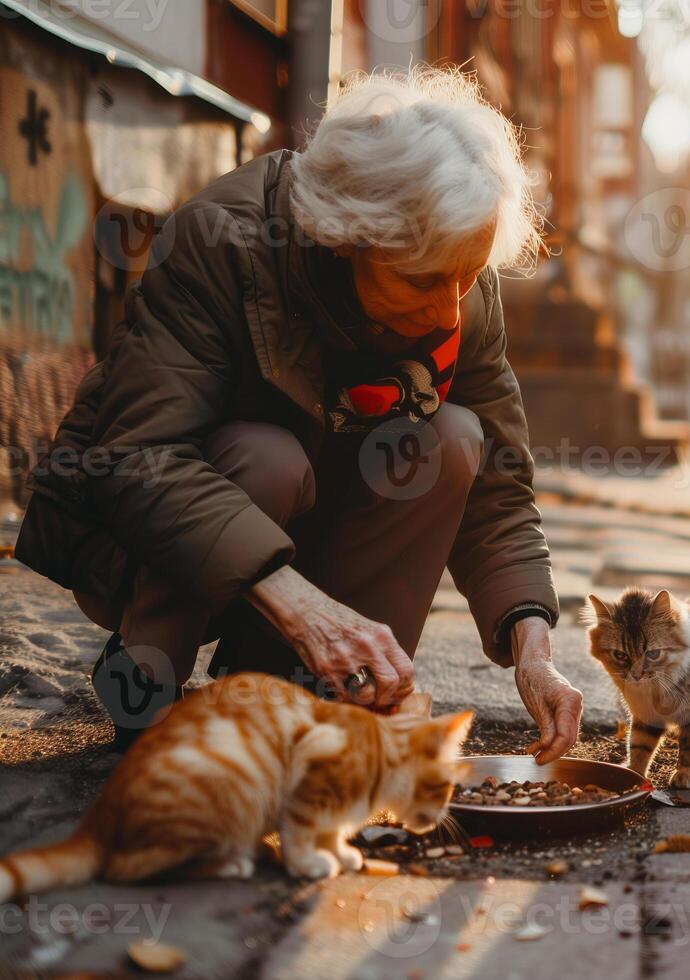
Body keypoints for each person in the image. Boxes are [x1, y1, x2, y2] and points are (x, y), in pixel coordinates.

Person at [15, 68, 583, 760]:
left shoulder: (453, 265)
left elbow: (497, 482)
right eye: (425, 280)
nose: (450, 309)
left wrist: (533, 644)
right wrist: (305, 607)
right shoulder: (222, 239)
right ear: (349, 233)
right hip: (148, 542)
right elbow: (137, 459)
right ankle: (147, 684)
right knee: (268, 457)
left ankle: (298, 699)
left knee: (455, 439)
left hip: (314, 526)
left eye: (469, 276)